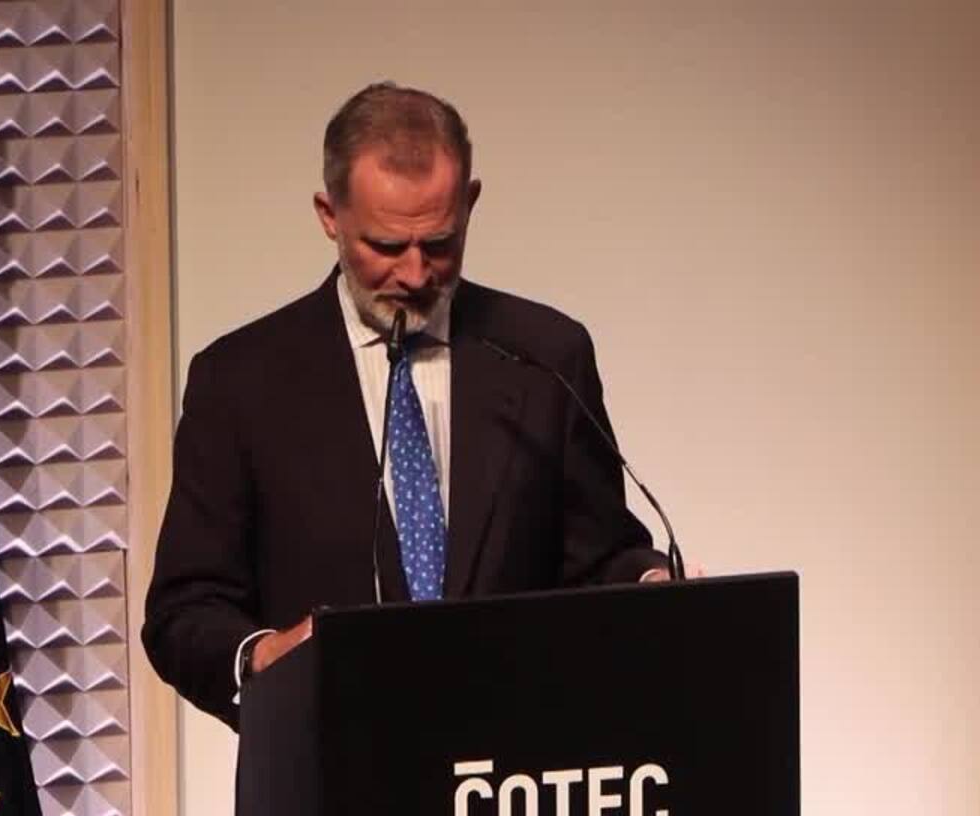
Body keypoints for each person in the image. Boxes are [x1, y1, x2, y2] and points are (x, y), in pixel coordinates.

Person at [142, 82, 670, 726]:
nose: (416, 275)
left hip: (517, 763)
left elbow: (601, 558)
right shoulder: (240, 382)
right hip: (329, 763)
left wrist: (650, 588)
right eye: (387, 247)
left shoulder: (547, 356)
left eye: (439, 243)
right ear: (329, 215)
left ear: (470, 203)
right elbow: (183, 609)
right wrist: (262, 655)